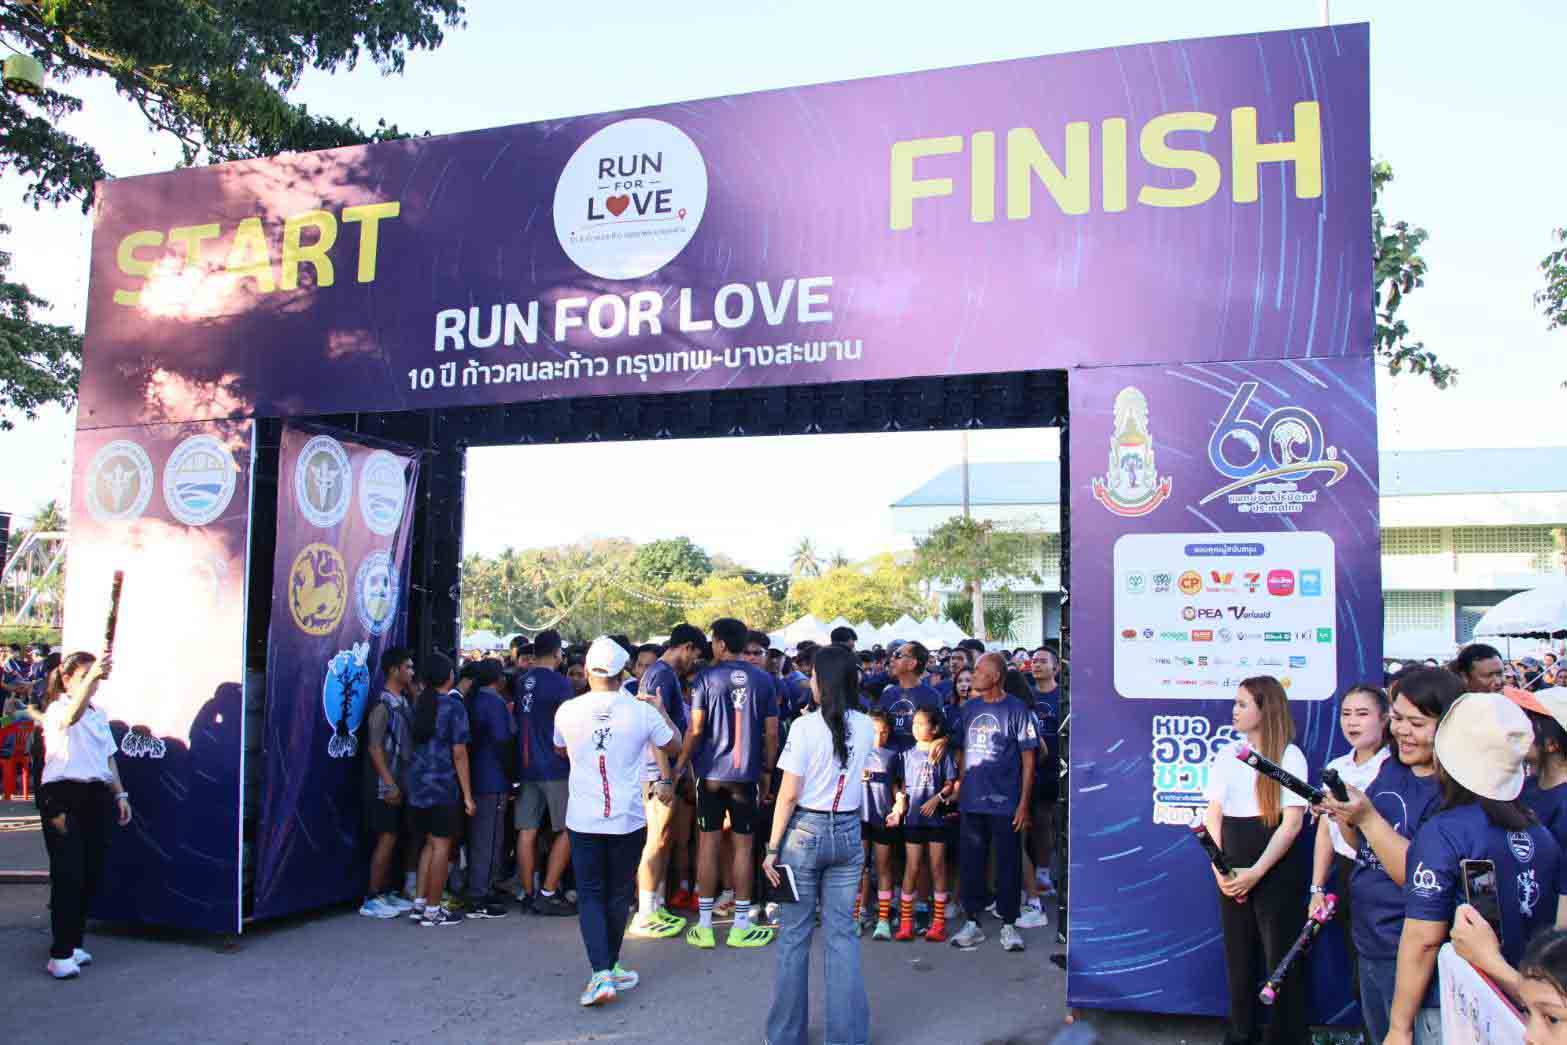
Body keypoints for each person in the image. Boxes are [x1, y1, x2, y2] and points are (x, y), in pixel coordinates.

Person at [1387, 690, 1567, 1044]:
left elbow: (1423, 939)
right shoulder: (1540, 832)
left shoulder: (1443, 832)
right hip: (1522, 1011)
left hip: (1455, 1005)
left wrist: (1398, 1027)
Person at [1319, 668, 1458, 1044]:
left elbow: (1418, 879)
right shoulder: (1393, 767)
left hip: (1411, 952)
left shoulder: (1451, 794)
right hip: (1370, 942)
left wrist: (1366, 817)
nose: (1403, 732)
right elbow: (1364, 847)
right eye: (1398, 719)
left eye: (1418, 723)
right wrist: (1345, 815)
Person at [552, 636, 680, 1007]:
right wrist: (661, 711)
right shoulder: (641, 711)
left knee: (592, 893)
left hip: (584, 817)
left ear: (587, 670)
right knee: (619, 893)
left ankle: (604, 970)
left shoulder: (568, 710)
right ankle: (605, 969)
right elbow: (675, 744)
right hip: (627, 817)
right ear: (624, 671)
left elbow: (559, 747)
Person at [762, 643, 875, 1045]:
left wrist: (772, 848)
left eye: (812, 675)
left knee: (794, 936)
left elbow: (788, 794)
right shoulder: (866, 725)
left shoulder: (804, 727)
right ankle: (847, 1037)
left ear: (822, 681)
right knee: (842, 936)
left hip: (804, 832)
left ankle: (785, 1036)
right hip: (848, 830)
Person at [1203, 676, 1309, 1045]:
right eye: (1235, 703)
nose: (1234, 710)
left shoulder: (1290, 757)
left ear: (1266, 710)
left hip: (1276, 868)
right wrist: (1219, 868)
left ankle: (1284, 1037)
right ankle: (1241, 1033)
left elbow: (1291, 823)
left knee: (1281, 958)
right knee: (1239, 956)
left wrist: (1258, 871)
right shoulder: (1227, 754)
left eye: (1243, 704)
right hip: (1232, 864)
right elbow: (1213, 814)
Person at [676, 617, 779, 949]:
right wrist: (767, 770)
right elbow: (772, 733)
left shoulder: (705, 678)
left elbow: (695, 729)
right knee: (743, 848)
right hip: (746, 775)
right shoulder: (763, 680)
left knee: (708, 844)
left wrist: (680, 765)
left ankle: (705, 926)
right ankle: (740, 926)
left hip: (710, 774)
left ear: (720, 643)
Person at [34, 651, 127, 979]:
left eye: (95, 675)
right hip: (61, 797)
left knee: (90, 872)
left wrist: (120, 794)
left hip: (95, 796)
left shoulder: (99, 714)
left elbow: (109, 757)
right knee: (68, 874)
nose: (93, 681)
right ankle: (59, 954)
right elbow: (72, 716)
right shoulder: (57, 709)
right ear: (66, 678)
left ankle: (73, 944)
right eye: (85, 675)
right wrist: (93, 676)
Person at [948, 652, 1038, 953]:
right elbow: (961, 752)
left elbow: (1029, 760)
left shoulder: (1017, 709)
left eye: (979, 671)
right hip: (973, 801)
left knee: (1008, 864)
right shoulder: (970, 709)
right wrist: (959, 786)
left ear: (996, 676)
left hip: (1006, 802)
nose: (973, 675)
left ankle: (1009, 924)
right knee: (971, 863)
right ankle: (972, 922)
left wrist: (1023, 804)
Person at [1309, 685, 1391, 978]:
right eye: (1346, 714)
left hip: (1381, 872)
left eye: (1362, 714)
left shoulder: (1392, 768)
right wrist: (1317, 888)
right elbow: (1325, 831)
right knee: (1354, 965)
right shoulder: (1337, 766)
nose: (1352, 722)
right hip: (1345, 872)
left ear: (1385, 718)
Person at [627, 623, 701, 940]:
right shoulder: (660, 675)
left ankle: (654, 904)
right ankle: (645, 912)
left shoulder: (664, 675)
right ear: (686, 647)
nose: (694, 662)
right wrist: (665, 777)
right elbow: (653, 727)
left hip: (664, 770)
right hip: (656, 772)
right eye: (695, 655)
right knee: (655, 840)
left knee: (662, 838)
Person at [405, 653, 474, 927]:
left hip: (417, 785)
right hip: (443, 786)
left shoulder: (419, 703)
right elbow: (459, 753)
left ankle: (420, 903)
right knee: (442, 847)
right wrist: (467, 795)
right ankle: (433, 910)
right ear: (449, 677)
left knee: (429, 845)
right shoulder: (454, 707)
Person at [514, 629, 576, 916]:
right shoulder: (561, 684)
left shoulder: (520, 681)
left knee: (527, 830)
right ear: (556, 653)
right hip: (555, 766)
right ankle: (548, 892)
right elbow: (568, 727)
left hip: (526, 766)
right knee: (568, 829)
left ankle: (528, 894)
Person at [359, 647, 418, 919]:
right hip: (387, 783)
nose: (412, 672)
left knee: (396, 837)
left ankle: (387, 891)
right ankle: (372, 897)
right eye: (408, 667)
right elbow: (374, 748)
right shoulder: (382, 705)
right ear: (394, 670)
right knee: (387, 837)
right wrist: (388, 782)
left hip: (402, 780)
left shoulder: (403, 701)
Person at [893, 705, 958, 942]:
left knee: (937, 867)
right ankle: (906, 923)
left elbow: (950, 783)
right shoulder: (906, 754)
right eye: (914, 723)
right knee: (912, 867)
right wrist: (899, 802)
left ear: (935, 728)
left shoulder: (942, 753)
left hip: (937, 821)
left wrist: (937, 798)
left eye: (922, 724)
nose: (916, 728)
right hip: (913, 820)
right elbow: (900, 786)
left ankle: (938, 924)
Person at [462, 658, 514, 918]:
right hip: (492, 778)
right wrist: (512, 775)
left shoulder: (471, 700)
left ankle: (480, 889)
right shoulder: (494, 703)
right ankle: (479, 896)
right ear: (498, 679)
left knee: (480, 838)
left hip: (473, 776)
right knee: (489, 839)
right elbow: (503, 741)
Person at [858, 708, 903, 940]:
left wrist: (898, 807)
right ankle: (858, 915)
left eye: (883, 732)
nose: (879, 737)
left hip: (882, 819)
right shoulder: (855, 752)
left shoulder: (892, 755)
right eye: (874, 732)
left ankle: (883, 919)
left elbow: (897, 789)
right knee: (859, 868)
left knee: (883, 867)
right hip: (859, 818)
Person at [1511, 686, 1567, 853]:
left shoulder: (1563, 806)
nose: (1515, 730)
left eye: (1527, 725)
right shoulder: (1524, 785)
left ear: (1551, 744)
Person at [1028, 647, 1062, 898]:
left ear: (1056, 667)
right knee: (1034, 823)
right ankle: (1034, 874)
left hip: (1057, 769)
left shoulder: (1064, 697)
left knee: (1050, 821)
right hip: (1030, 768)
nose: (1036, 665)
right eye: (1034, 661)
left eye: (1042, 661)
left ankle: (1048, 871)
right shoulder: (1025, 696)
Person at [878, 640, 941, 748]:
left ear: (912, 664)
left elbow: (938, 734)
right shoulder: (887, 694)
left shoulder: (932, 696)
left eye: (898, 655)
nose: (891, 659)